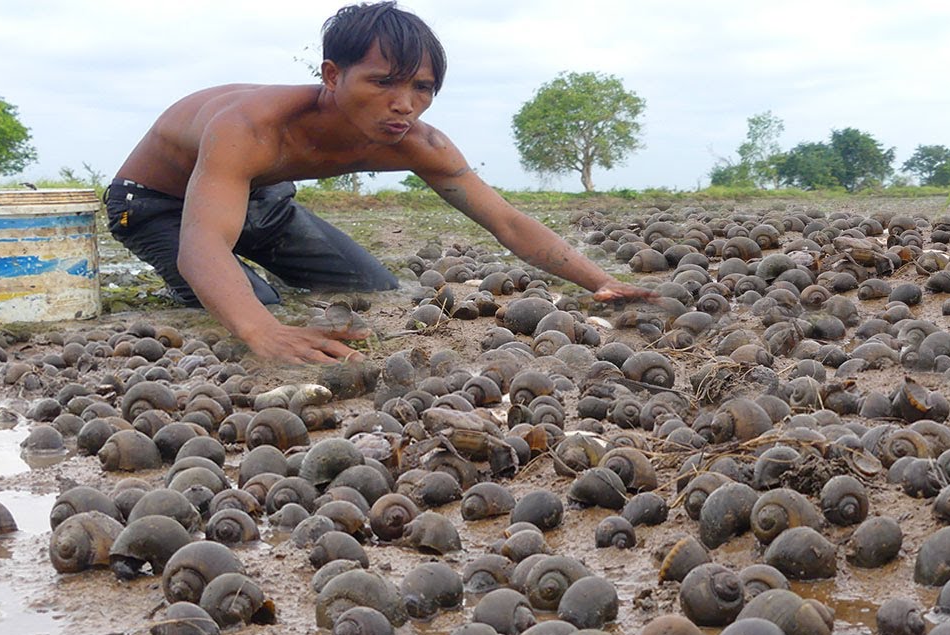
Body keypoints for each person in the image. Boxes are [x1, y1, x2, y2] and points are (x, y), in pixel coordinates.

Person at [104, 1, 651, 364]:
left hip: (261, 197)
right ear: (333, 76)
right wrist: (258, 331)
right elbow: (202, 246)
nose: (403, 104)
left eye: (422, 87)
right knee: (257, 304)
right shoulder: (249, 127)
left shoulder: (415, 141)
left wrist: (598, 281)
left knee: (370, 288)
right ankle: (228, 300)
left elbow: (505, 219)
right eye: (383, 82)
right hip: (154, 203)